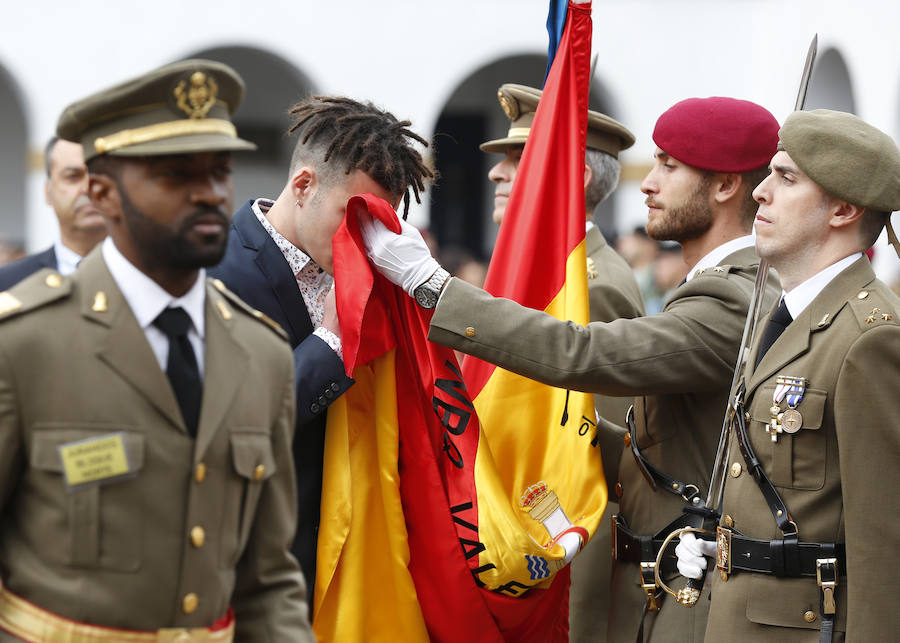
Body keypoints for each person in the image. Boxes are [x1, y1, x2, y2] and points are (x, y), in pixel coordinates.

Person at [358, 96, 782, 643]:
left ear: (725, 186)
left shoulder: (733, 296)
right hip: (662, 581)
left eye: (669, 167)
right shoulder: (717, 284)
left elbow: (584, 354)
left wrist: (433, 287)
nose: (647, 184)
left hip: (674, 587)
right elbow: (650, 451)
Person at [0, 59, 313, 642]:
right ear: (102, 192)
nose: (211, 193)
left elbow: (267, 581)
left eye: (220, 171)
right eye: (175, 176)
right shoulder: (23, 344)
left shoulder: (260, 352)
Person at [675, 109, 900, 642]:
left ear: (843, 209)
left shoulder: (871, 338)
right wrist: (732, 547)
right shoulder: (784, 317)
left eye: (787, 178)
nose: (760, 192)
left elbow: (885, 546)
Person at [209, 93, 434, 604]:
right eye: (352, 218)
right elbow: (227, 424)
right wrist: (330, 344)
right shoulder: (217, 269)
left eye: (379, 223)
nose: (366, 240)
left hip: (356, 574)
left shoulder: (378, 276)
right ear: (304, 185)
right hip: (254, 574)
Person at [480, 82, 645, 641]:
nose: (496, 175)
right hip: (514, 526)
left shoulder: (596, 286)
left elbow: (610, 451)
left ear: (573, 179)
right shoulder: (547, 275)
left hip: (561, 537)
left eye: (518, 159)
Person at [0, 137, 106, 289]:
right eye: (73, 176)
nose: (88, 188)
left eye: (99, 174)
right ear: (48, 192)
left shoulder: (148, 274)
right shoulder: (9, 283)